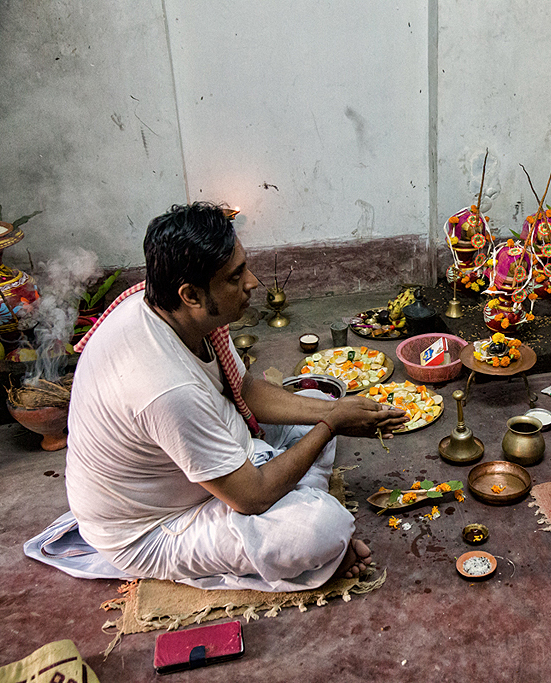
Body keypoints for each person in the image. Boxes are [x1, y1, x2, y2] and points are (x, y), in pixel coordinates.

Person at [63, 203, 407, 592]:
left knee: (310, 400)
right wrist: (331, 425)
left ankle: (289, 482)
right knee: (320, 529)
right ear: (190, 294)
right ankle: (299, 514)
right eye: (235, 276)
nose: (253, 282)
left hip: (218, 450)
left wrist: (334, 411)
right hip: (155, 526)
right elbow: (252, 497)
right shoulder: (164, 387)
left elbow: (242, 390)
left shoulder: (167, 307)